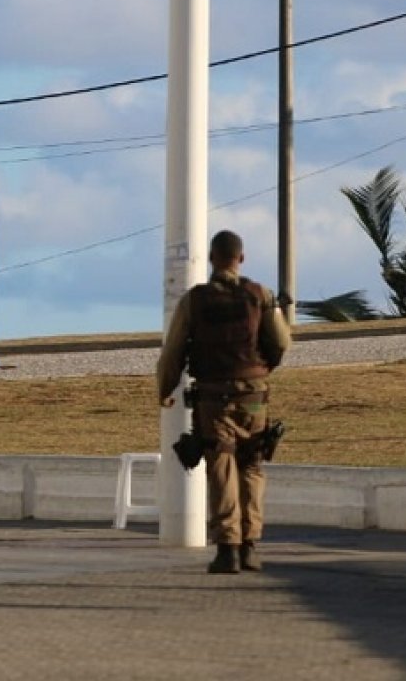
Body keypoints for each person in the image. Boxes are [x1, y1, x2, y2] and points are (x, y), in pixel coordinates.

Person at [156, 230, 291, 574]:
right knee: (252, 464)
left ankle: (228, 548)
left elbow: (172, 352)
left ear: (212, 259)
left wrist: (165, 389)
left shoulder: (194, 301)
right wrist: (262, 369)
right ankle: (250, 546)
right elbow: (280, 342)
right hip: (254, 398)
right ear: (240, 258)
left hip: (214, 399)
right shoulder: (260, 295)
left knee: (222, 466)